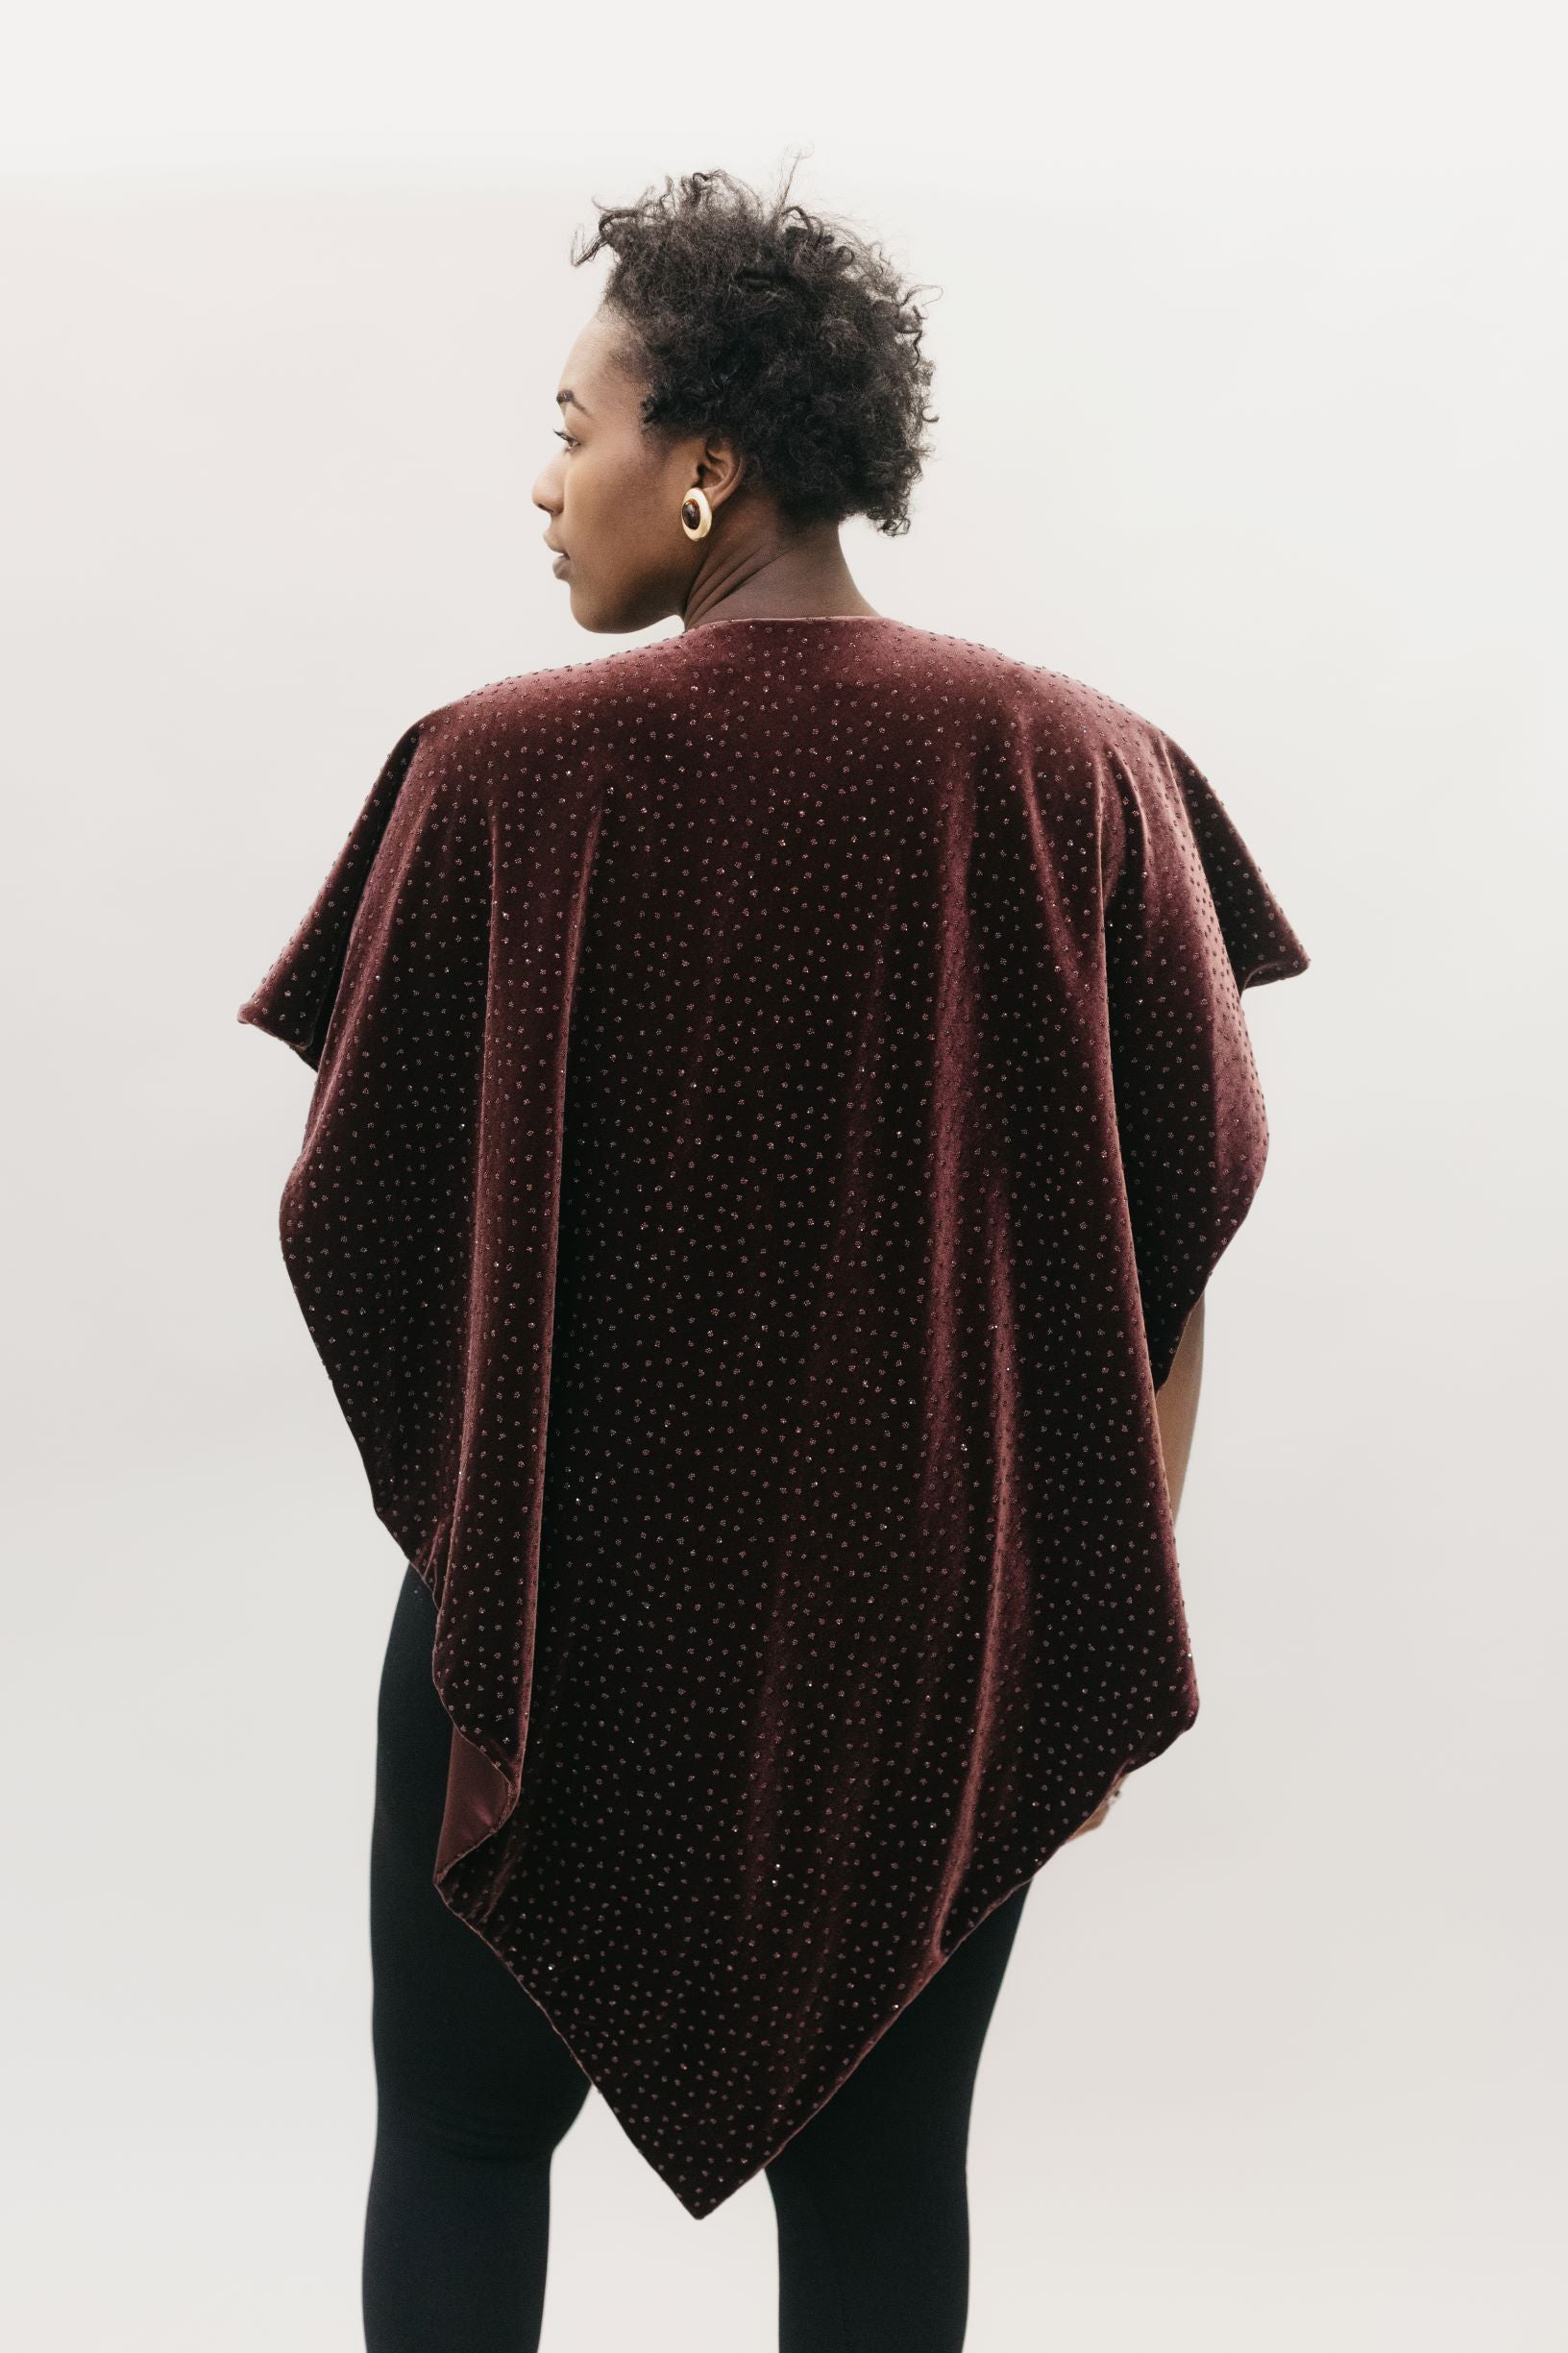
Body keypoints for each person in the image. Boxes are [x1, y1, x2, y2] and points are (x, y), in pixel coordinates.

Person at [237, 161, 1306, 2352]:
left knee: (455, 2146)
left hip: (533, 1605)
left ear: (703, 461)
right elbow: (1166, 1247)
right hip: (924, 1628)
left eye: (575, 423)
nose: (543, 483)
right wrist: (1097, 1604)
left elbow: (360, 1213)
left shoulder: (493, 775)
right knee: (889, 2188)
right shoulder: (1086, 771)